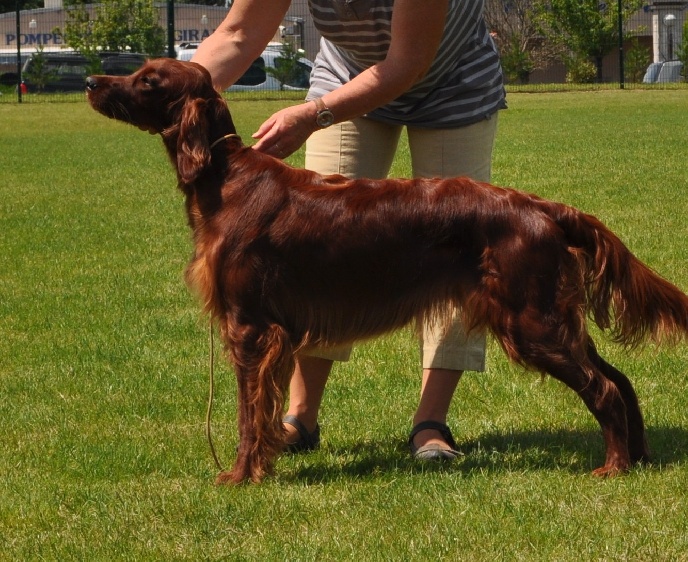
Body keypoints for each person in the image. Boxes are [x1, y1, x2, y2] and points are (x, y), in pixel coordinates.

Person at [191, 0, 506, 460]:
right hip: (348, 77)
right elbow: (237, 35)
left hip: (452, 83)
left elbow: (406, 64)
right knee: (315, 250)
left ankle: (430, 424)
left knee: (456, 252)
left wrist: (313, 115)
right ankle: (300, 416)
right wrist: (177, 89)